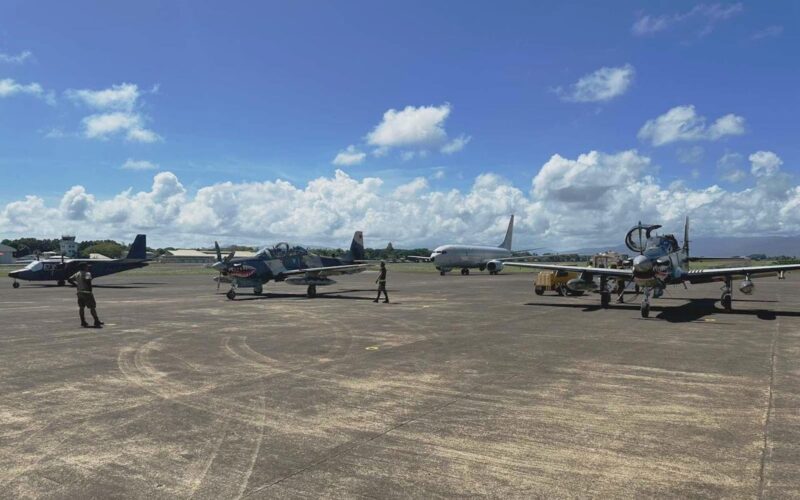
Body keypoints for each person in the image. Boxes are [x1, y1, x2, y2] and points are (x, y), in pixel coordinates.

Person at [67, 263, 103, 328]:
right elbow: (88, 282)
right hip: (87, 292)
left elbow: (69, 279)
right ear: (84, 267)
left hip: (79, 292)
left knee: (81, 307)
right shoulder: (87, 273)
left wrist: (76, 285)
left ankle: (83, 321)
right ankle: (96, 321)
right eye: (86, 266)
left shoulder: (77, 273)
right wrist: (90, 291)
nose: (88, 267)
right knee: (92, 307)